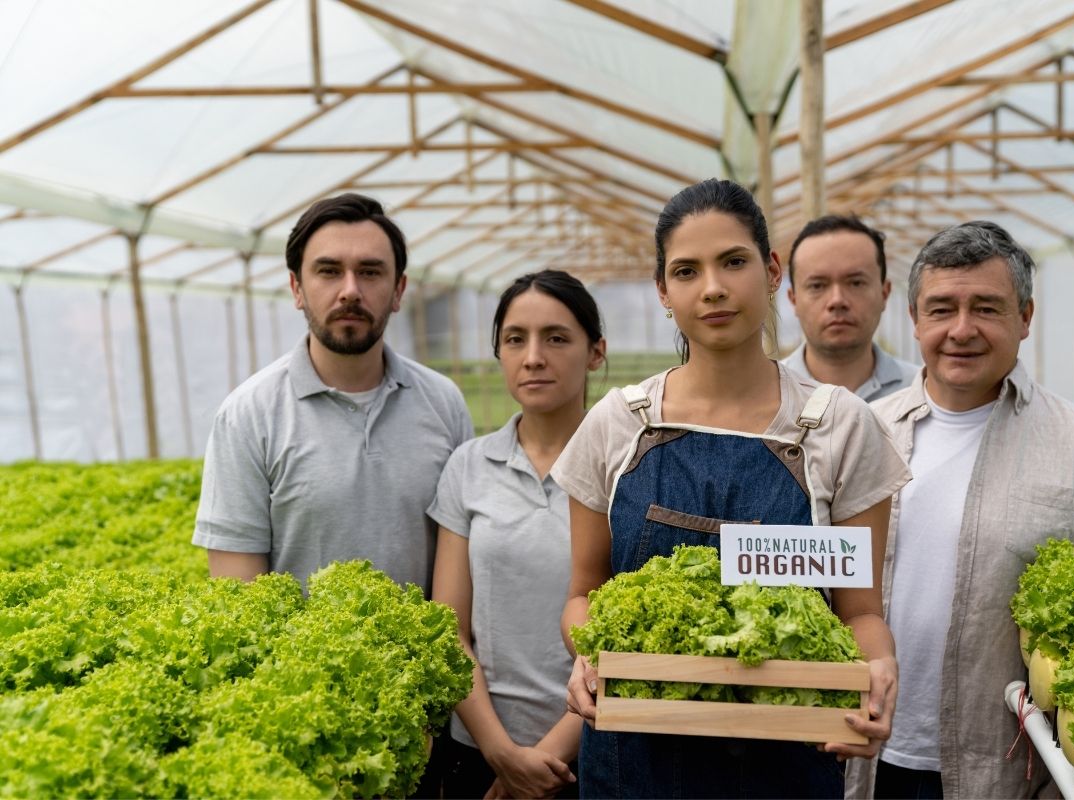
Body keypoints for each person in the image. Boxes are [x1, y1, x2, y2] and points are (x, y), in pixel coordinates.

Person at [553, 179, 911, 799]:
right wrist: (588, 652)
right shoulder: (617, 423)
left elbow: (859, 612)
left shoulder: (838, 425)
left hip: (787, 761)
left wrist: (877, 674)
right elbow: (584, 593)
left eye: (734, 262)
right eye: (686, 271)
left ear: (772, 272)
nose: (713, 287)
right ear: (664, 292)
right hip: (635, 758)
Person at [848, 221, 1074, 800]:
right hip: (865, 753)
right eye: (941, 309)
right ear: (914, 321)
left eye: (987, 308)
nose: (962, 330)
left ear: (1025, 318)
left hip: (1006, 771)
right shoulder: (863, 431)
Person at [192, 192, 473, 593]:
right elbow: (240, 599)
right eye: (329, 271)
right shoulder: (248, 414)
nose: (350, 291)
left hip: (425, 657)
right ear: (296, 288)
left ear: (398, 291)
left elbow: (463, 563)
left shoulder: (444, 403)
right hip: (296, 658)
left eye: (371, 272)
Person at [429, 270, 606, 799]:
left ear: (595, 352)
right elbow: (449, 629)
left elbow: (632, 646)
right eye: (515, 339)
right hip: (480, 748)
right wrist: (502, 756)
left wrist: (543, 760)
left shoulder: (625, 467)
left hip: (597, 747)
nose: (533, 356)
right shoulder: (468, 466)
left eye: (556, 337)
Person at [781, 215, 918, 400]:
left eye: (855, 283)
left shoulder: (920, 392)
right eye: (817, 286)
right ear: (793, 299)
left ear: (884, 293)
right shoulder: (769, 394)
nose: (837, 300)